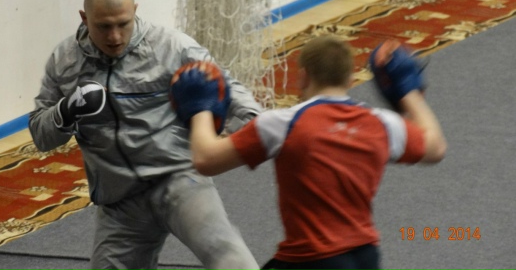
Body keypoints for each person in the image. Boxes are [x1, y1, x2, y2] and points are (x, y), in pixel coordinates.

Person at [29, 0, 262, 270]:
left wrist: (259, 132)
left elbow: (230, 92)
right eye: (104, 26)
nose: (115, 36)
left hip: (180, 181)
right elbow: (41, 135)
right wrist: (65, 111)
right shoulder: (64, 61)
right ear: (84, 18)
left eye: (123, 23)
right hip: (120, 202)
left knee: (226, 253)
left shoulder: (172, 47)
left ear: (135, 11)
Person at [170, 35, 447, 270]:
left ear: (303, 77)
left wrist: (200, 107)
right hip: (366, 257)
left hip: (310, 260)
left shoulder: (280, 124)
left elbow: (206, 160)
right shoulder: (382, 123)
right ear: (350, 78)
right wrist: (408, 92)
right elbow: (435, 147)